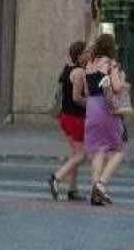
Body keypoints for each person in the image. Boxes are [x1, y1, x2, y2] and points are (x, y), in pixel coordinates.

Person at [83, 33, 128, 206]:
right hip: (106, 108)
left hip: (91, 107)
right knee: (118, 150)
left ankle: (95, 192)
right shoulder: (111, 64)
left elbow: (87, 91)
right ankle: (101, 185)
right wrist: (123, 82)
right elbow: (116, 87)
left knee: (98, 150)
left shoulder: (89, 65)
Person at [49, 41, 88, 202]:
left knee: (75, 154)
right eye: (86, 53)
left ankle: (73, 189)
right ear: (79, 55)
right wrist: (92, 103)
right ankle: (57, 177)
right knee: (82, 155)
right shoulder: (79, 72)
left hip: (66, 117)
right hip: (75, 118)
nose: (89, 55)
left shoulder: (67, 69)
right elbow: (77, 98)